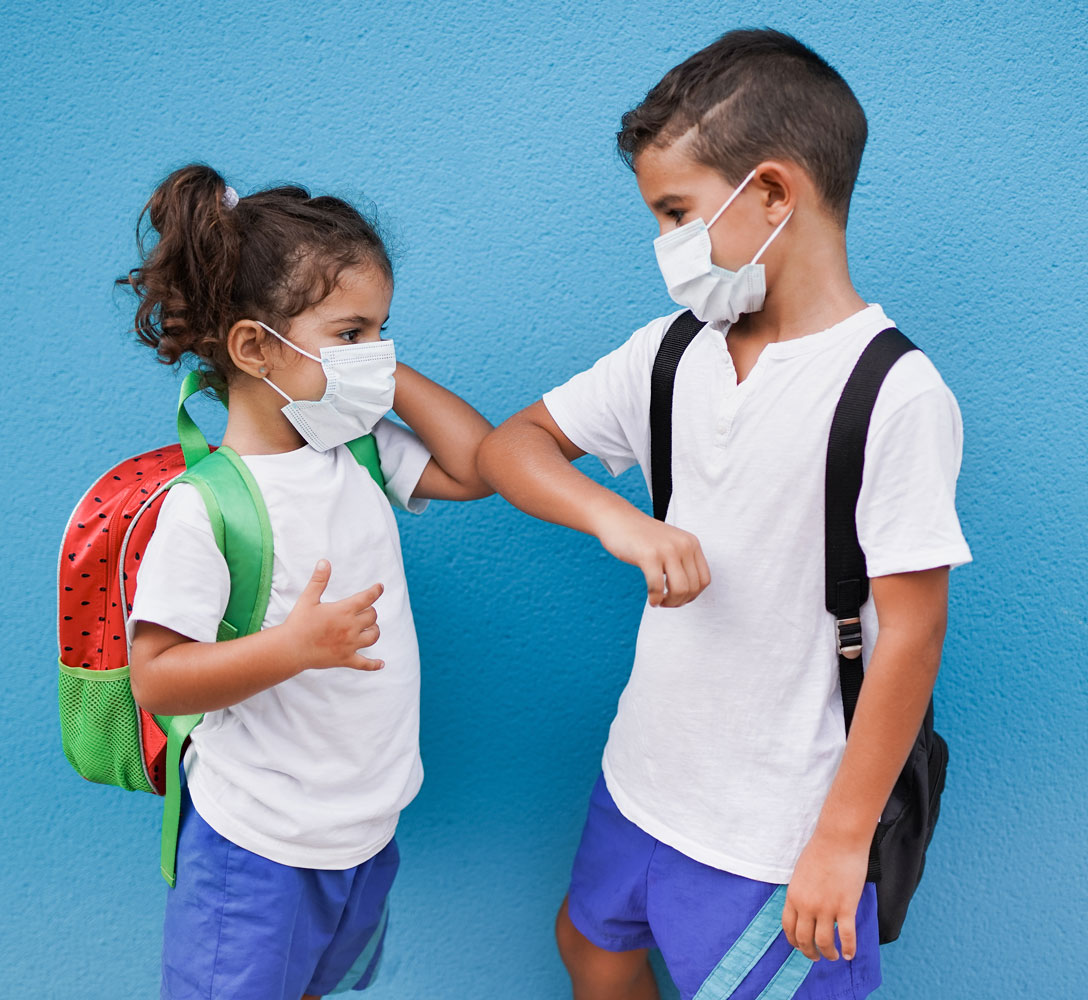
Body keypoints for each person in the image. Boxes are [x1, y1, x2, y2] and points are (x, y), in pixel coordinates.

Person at [477, 29, 971, 1000]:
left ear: (774, 194)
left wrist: (839, 838)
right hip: (643, 775)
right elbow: (510, 448)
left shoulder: (894, 393)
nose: (666, 245)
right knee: (592, 946)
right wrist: (617, 522)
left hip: (775, 829)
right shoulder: (673, 353)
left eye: (677, 213)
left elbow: (912, 632)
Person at [119, 164, 492, 1000]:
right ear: (257, 347)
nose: (378, 354)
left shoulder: (356, 451)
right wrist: (292, 648)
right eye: (353, 333)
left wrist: (380, 377)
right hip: (254, 846)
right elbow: (158, 677)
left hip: (361, 831)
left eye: (383, 331)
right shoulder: (207, 506)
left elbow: (477, 468)